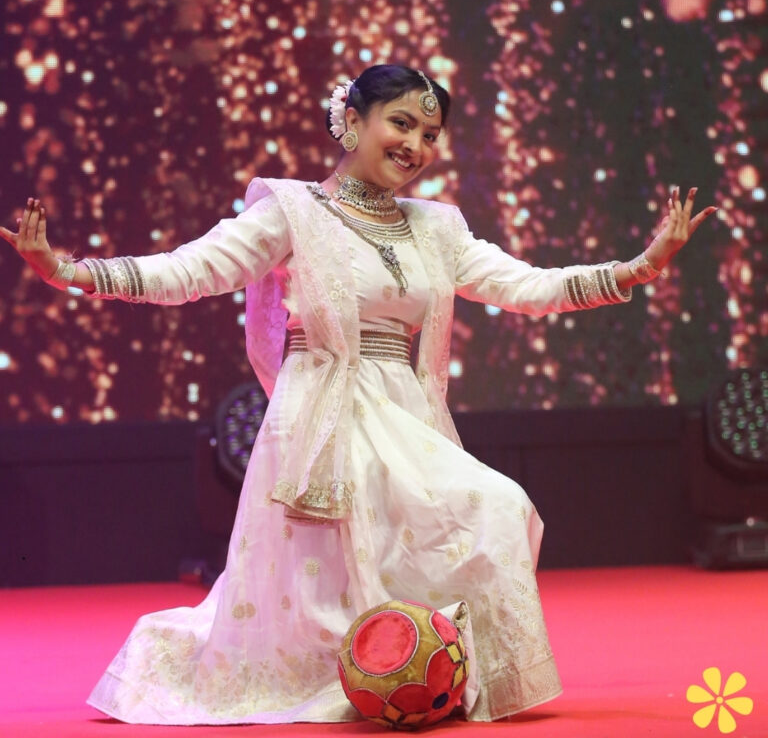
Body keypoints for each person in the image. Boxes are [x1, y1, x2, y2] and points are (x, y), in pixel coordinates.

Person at [1, 64, 716, 725]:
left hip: (404, 412)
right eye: (400, 123)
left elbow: (522, 284)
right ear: (352, 120)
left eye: (430, 134)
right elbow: (192, 270)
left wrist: (637, 268)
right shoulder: (294, 212)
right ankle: (368, 680)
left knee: (494, 509)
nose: (416, 145)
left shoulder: (436, 227)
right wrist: (70, 271)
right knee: (332, 585)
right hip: (320, 417)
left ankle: (436, 677)